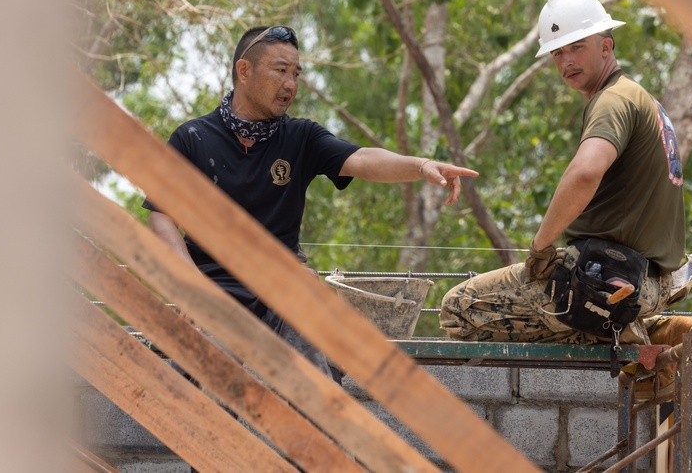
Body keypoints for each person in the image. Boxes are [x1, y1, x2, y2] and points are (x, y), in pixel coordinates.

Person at [144, 24, 479, 385]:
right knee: (202, 390)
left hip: (286, 291)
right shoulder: (193, 138)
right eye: (280, 70)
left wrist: (419, 165)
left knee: (322, 363)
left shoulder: (301, 137)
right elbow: (162, 217)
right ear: (245, 71)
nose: (290, 84)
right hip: (217, 290)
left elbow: (363, 158)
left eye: (296, 73)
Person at [439, 0, 692, 399]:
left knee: (459, 312)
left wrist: (541, 246)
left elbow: (585, 172)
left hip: (610, 282)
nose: (566, 61)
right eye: (557, 53)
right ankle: (646, 333)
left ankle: (638, 335)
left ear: (606, 46)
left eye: (576, 48)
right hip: (646, 280)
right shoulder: (643, 100)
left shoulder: (613, 101)